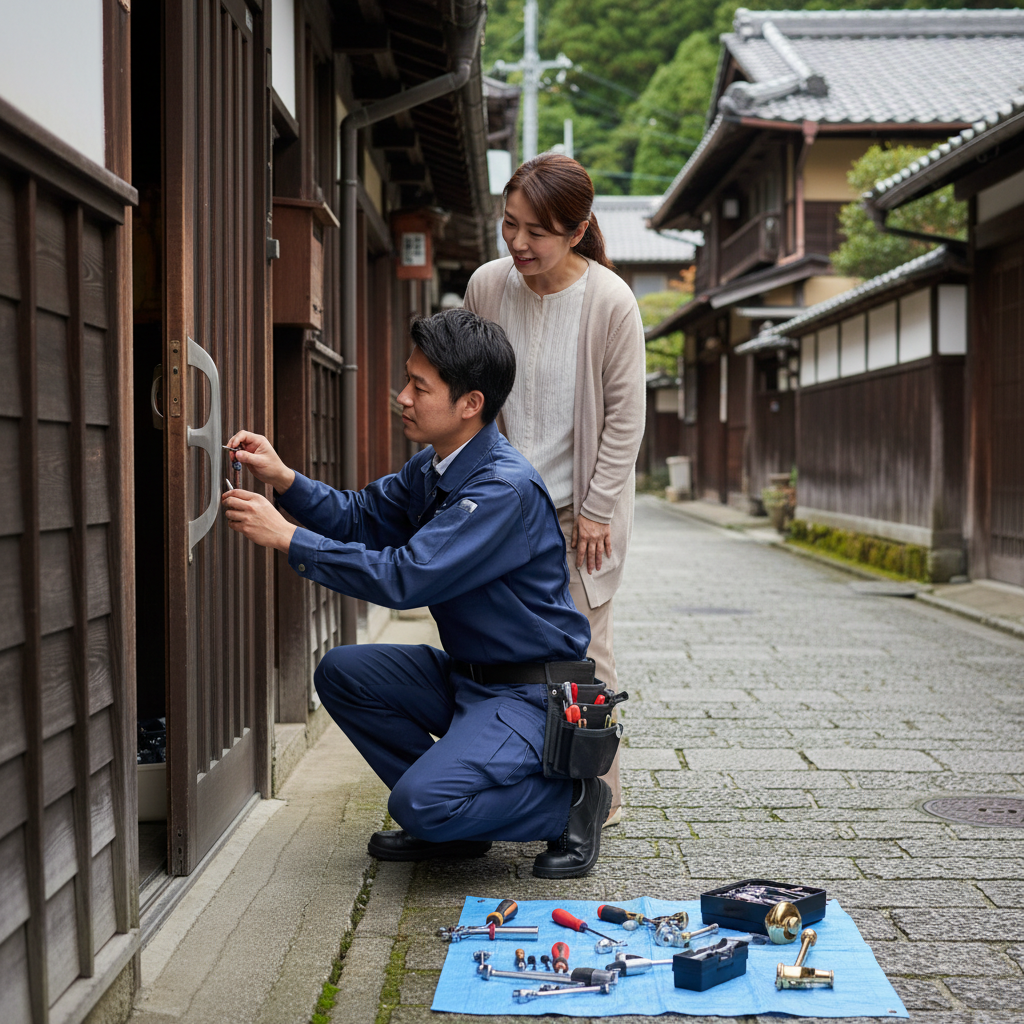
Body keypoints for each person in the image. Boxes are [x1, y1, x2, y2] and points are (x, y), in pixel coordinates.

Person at [221, 308, 612, 878]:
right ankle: (457, 822)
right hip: (468, 678)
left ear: (470, 403)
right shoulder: (436, 467)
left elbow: (406, 578)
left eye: (419, 387)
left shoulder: (501, 489)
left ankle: (572, 803)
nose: (402, 396)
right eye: (408, 380)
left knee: (417, 803)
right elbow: (359, 515)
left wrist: (288, 539)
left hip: (529, 696)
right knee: (343, 673)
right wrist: (284, 478)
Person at [464, 154, 646, 826]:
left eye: (535, 231)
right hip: (500, 509)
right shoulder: (488, 286)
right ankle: (514, 792)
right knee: (497, 647)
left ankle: (600, 797)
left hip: (577, 513)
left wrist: (597, 510)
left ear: (576, 232)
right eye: (509, 224)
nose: (517, 243)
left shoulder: (610, 301)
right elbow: (466, 391)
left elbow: (627, 416)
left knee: (582, 652)